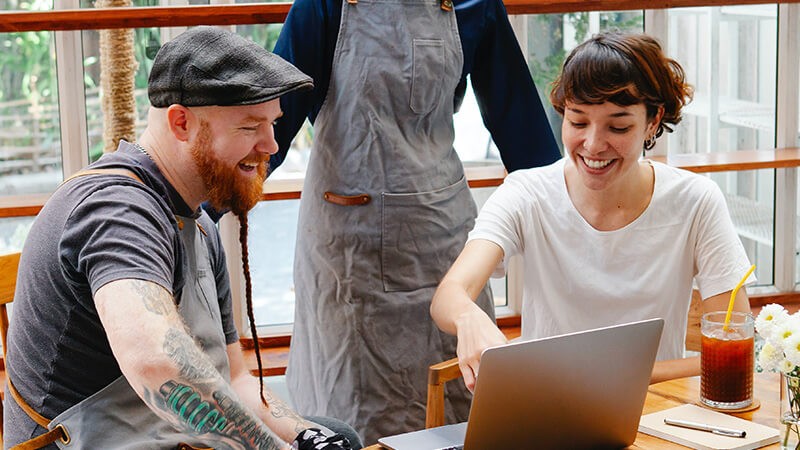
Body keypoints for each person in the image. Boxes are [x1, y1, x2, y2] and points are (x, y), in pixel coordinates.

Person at [4, 26, 360, 450]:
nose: (270, 144)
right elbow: (158, 365)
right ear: (181, 122)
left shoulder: (198, 221)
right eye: (250, 127)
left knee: (339, 438)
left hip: (160, 437)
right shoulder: (117, 211)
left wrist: (306, 437)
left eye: (273, 124)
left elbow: (237, 379)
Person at [271, 0, 561, 444]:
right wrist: (192, 207)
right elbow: (276, 119)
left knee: (468, 407)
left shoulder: (475, 4)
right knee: (353, 418)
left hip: (441, 241)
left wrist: (568, 212)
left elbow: (517, 118)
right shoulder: (324, 4)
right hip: (350, 256)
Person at [430, 31, 756, 393]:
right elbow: (450, 294)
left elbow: (735, 344)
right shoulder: (527, 193)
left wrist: (613, 378)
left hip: (655, 412)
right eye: (578, 121)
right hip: (548, 409)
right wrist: (467, 316)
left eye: (618, 126)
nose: (593, 145)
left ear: (652, 121)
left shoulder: (695, 201)